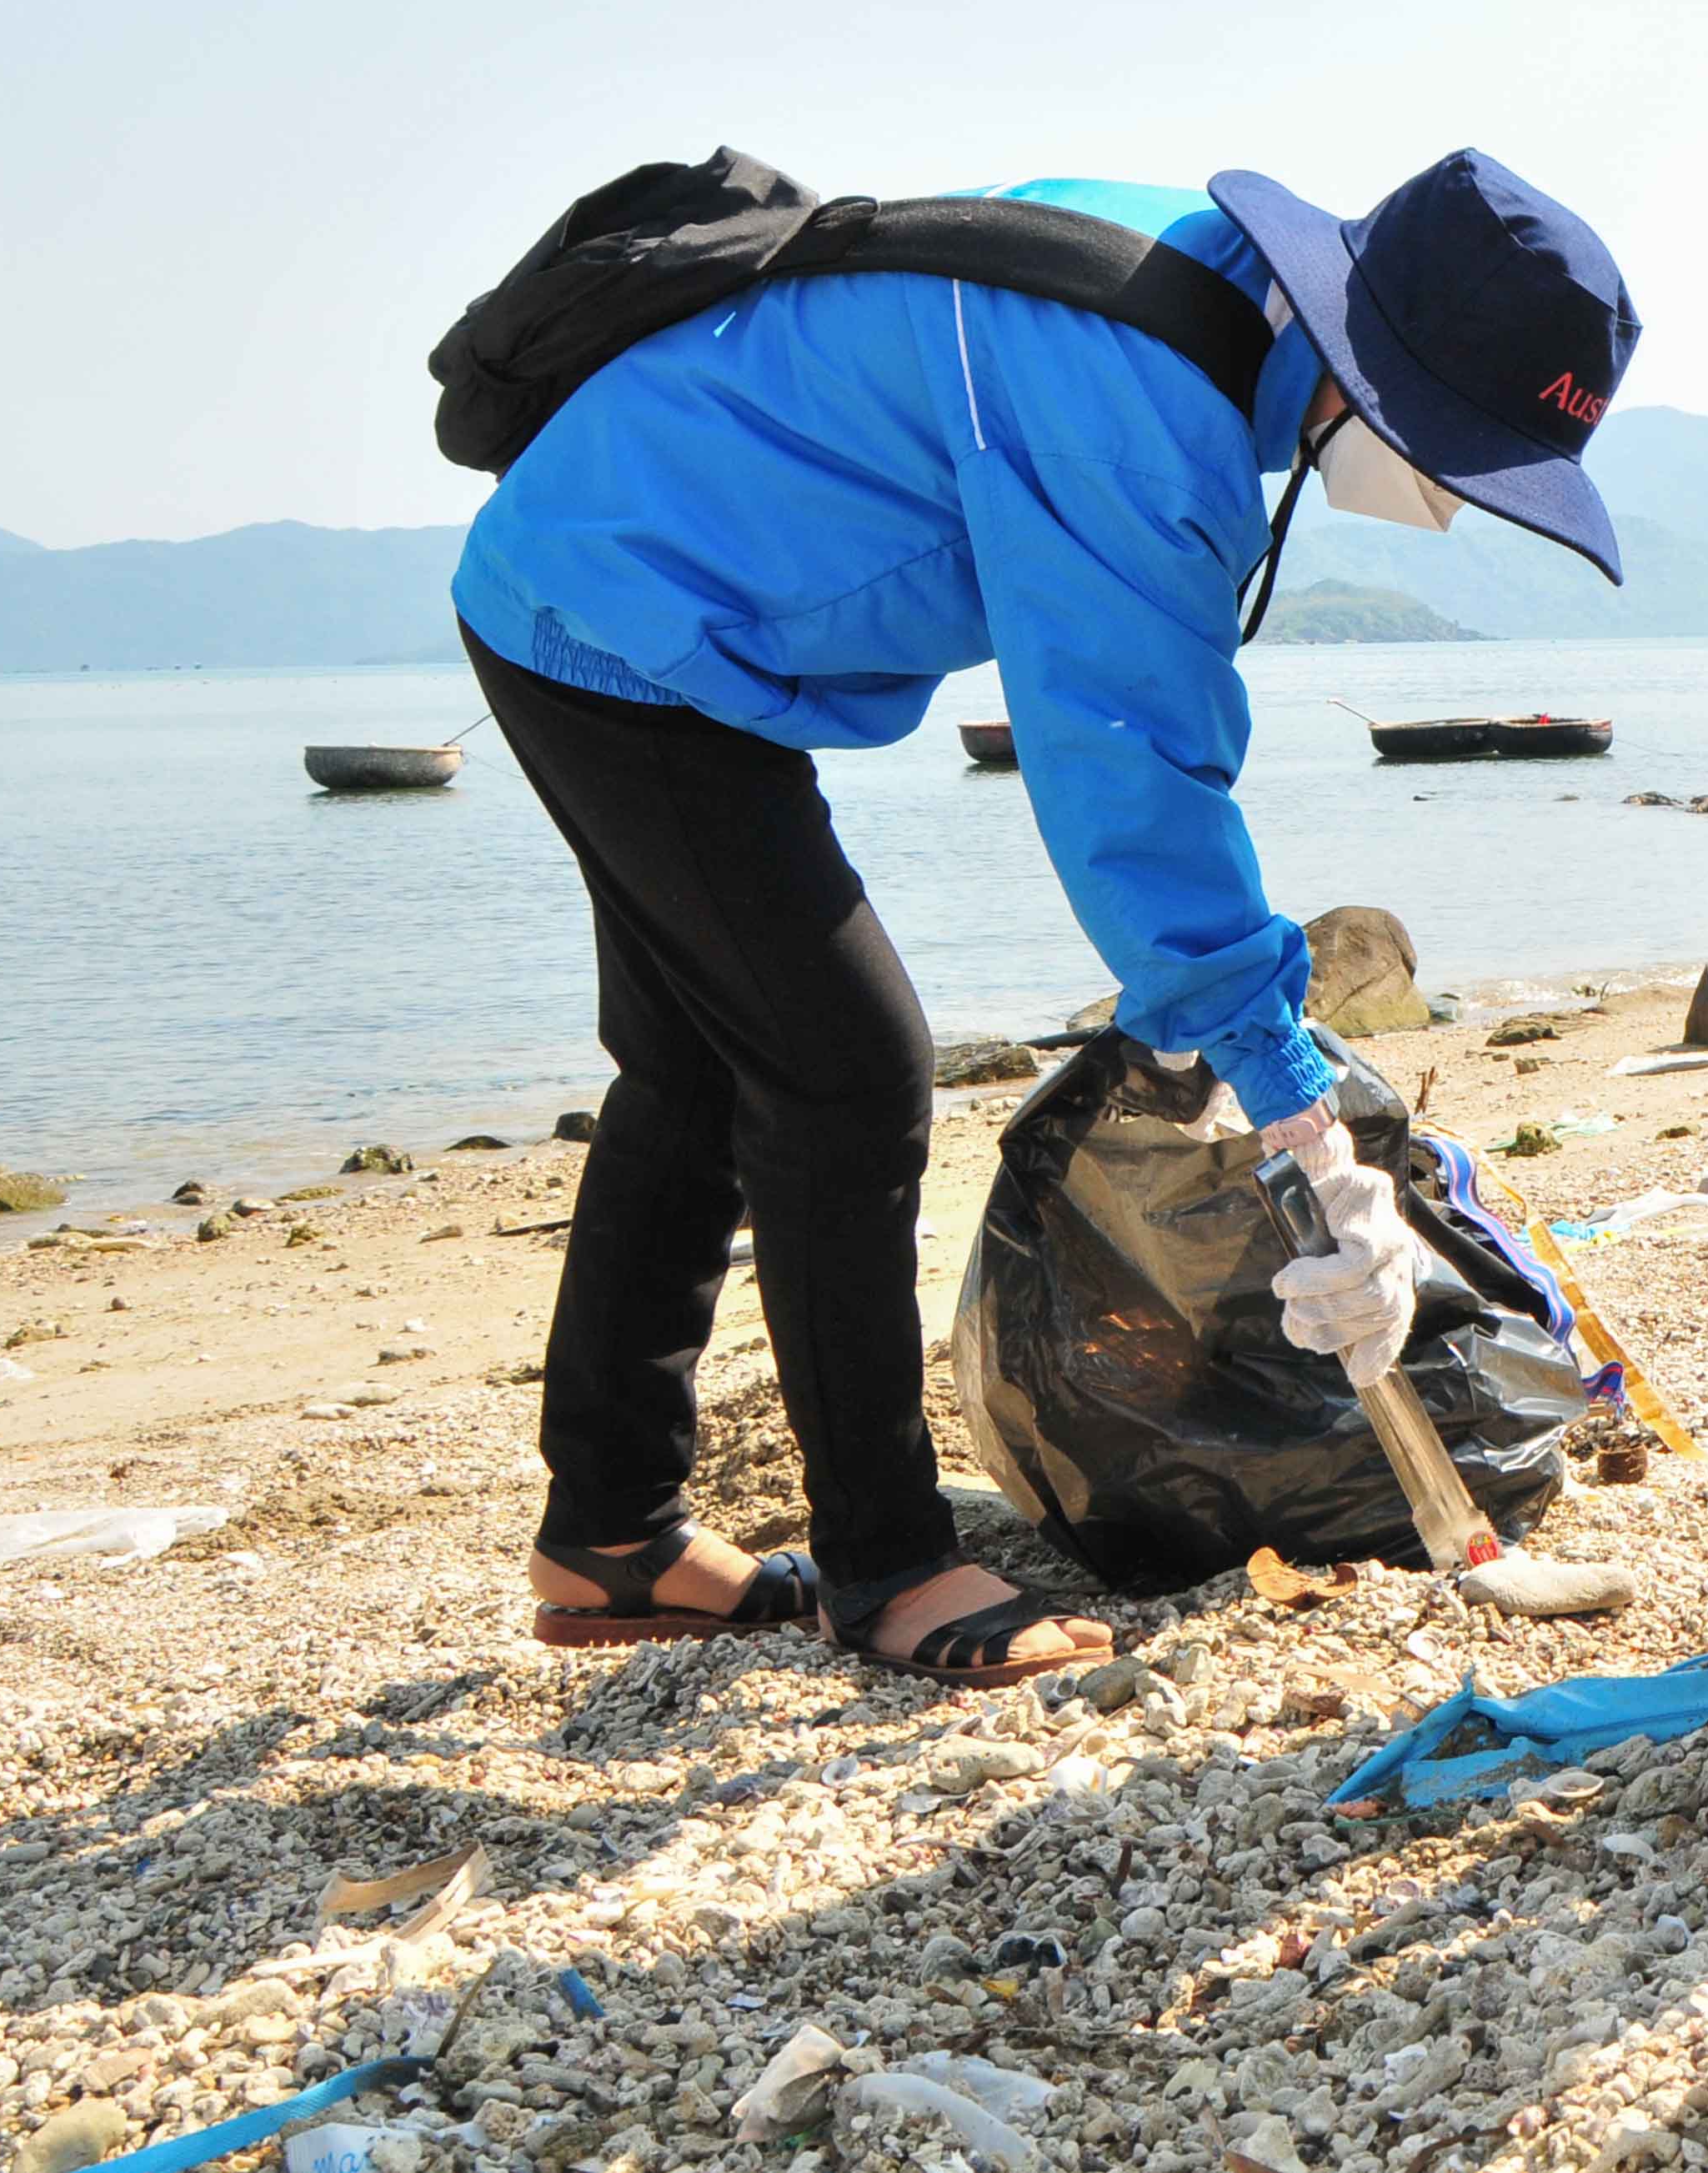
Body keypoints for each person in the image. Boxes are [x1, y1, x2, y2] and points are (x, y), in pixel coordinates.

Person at [450, 155, 1637, 1684]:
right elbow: (1129, 780)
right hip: (609, 618)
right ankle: (887, 1568)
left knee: (696, 1069)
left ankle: (609, 1531)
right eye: (1462, 463)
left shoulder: (1192, 285)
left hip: (637, 597)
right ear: (1375, 374)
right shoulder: (1142, 406)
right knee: (847, 1071)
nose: (1452, 506)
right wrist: (1301, 1113)